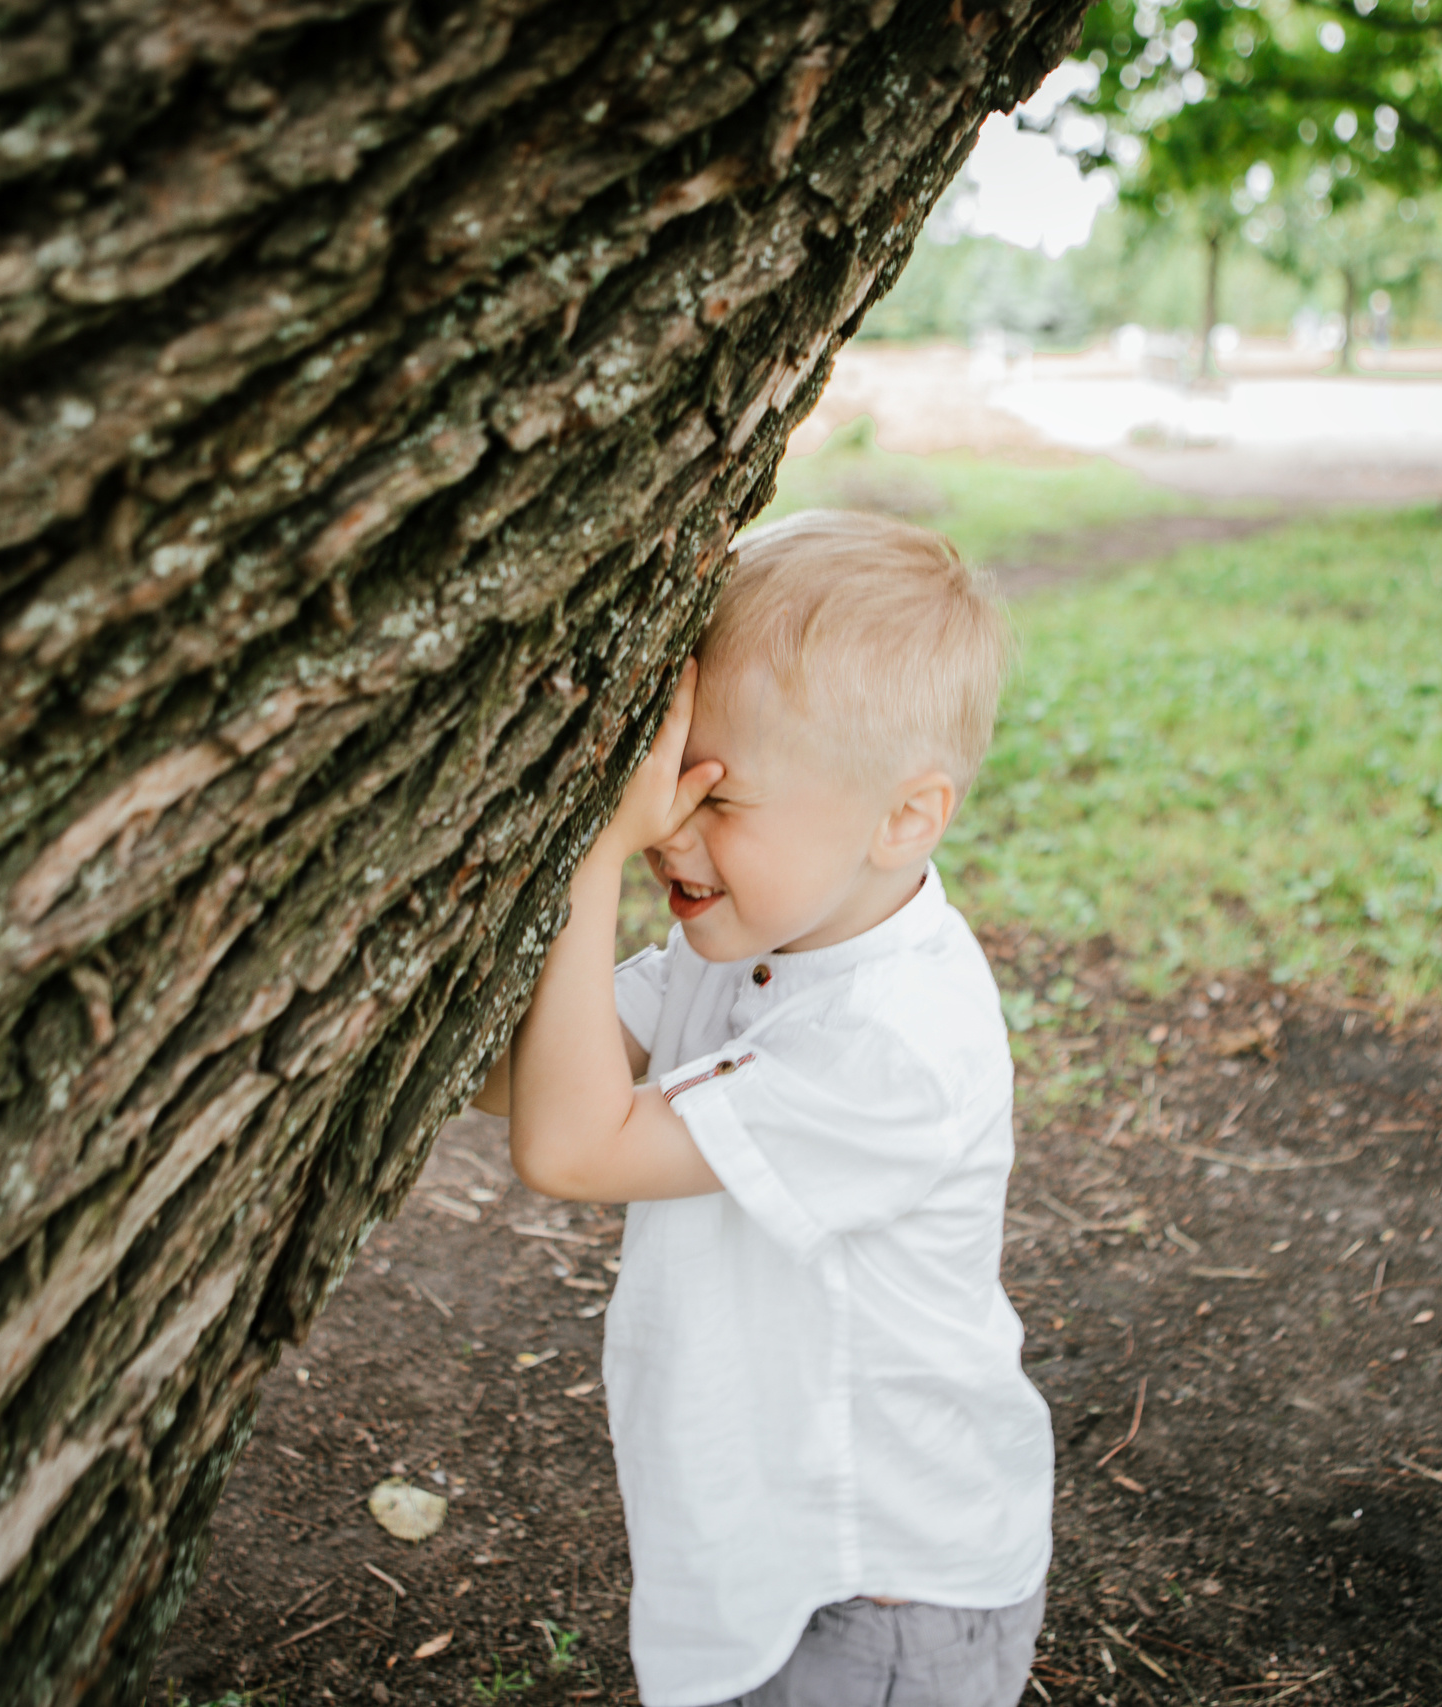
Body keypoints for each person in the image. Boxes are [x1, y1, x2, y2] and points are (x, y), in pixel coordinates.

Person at [470, 509, 1053, 1707]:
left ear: (905, 816)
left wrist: (582, 857)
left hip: (879, 1599)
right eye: (655, 786)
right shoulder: (761, 934)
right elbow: (528, 1069)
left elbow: (571, 1144)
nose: (663, 831)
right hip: (786, 1557)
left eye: (715, 800)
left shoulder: (893, 1040)